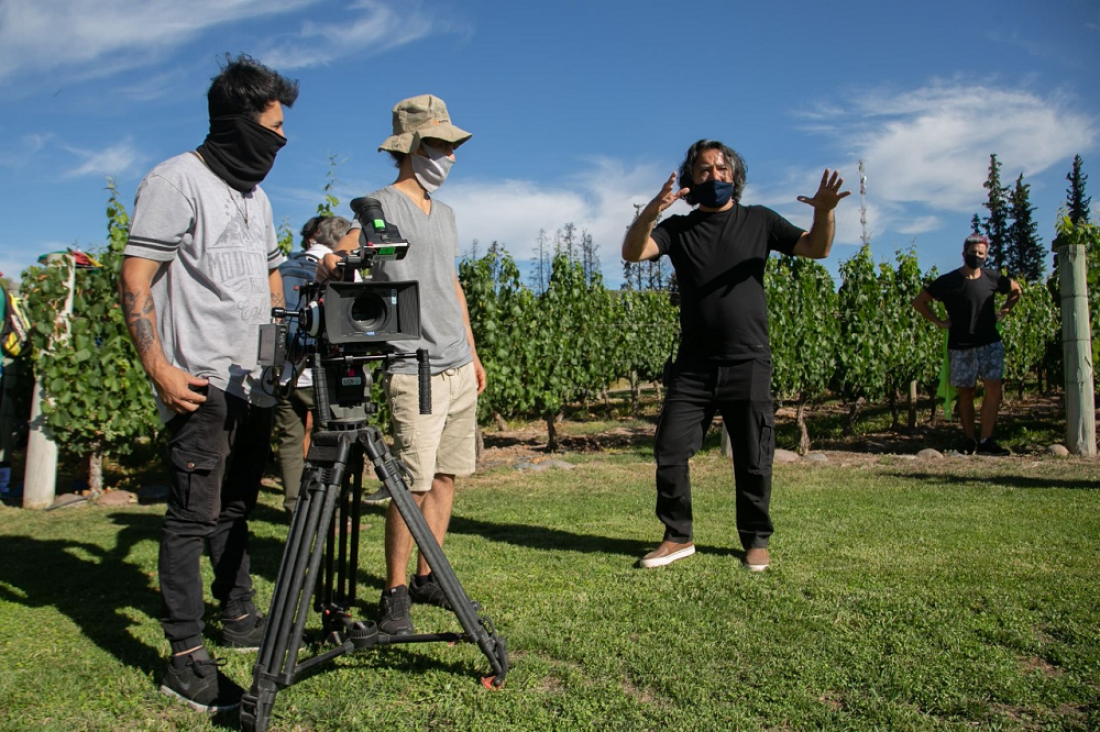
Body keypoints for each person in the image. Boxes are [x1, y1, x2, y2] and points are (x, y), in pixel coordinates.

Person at [119, 55, 298, 713]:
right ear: (240, 123)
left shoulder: (257, 196)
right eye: (274, 129)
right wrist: (160, 368)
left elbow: (273, 275)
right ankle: (185, 656)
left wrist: (279, 343)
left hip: (251, 380)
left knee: (234, 509)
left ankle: (239, 615)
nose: (282, 142)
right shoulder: (175, 182)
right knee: (190, 518)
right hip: (199, 382)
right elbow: (135, 281)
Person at [622, 139, 849, 572]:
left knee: (753, 456)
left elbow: (816, 249)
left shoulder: (759, 221)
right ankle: (677, 536)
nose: (715, 176)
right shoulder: (680, 230)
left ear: (734, 176)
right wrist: (653, 211)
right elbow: (633, 252)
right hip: (693, 366)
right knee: (670, 448)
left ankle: (756, 539)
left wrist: (823, 211)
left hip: (748, 360)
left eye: (722, 169)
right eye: (704, 170)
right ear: (691, 179)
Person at [320, 94, 485, 635]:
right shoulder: (379, 206)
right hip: (413, 368)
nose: (451, 157)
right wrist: (334, 267)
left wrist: (474, 352)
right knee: (408, 483)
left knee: (444, 477)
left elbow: (452, 284)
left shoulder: (449, 213)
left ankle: (426, 574)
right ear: (413, 147)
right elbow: (340, 256)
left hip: (457, 365)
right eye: (441, 144)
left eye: (453, 146)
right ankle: (393, 594)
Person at [912, 233, 1021, 456]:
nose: (977, 257)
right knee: (965, 393)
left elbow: (1016, 289)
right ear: (964, 254)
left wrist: (1006, 309)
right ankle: (970, 439)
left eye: (981, 253)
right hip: (961, 345)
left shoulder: (992, 278)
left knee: (993, 389)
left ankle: (986, 439)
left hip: (990, 343)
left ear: (986, 255)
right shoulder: (948, 281)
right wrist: (939, 322)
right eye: (973, 253)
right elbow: (919, 301)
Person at [274, 215, 354, 514]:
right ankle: (330, 511)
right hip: (326, 372)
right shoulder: (342, 271)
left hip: (286, 372)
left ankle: (295, 507)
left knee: (291, 442)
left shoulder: (283, 269)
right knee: (335, 442)